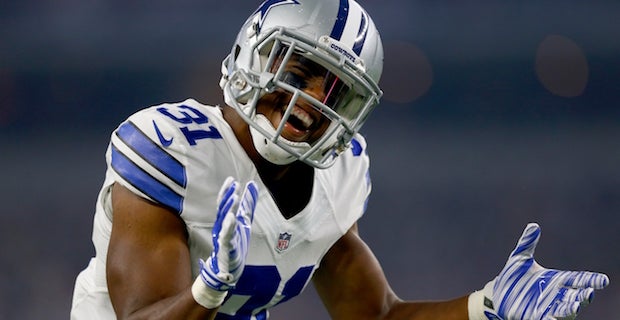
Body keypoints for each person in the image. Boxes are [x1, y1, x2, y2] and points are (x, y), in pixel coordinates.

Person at [70, 0, 610, 319]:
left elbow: (375, 316)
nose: (310, 103)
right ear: (252, 56)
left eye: (335, 93)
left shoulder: (338, 177)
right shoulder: (171, 147)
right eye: (298, 71)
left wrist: (483, 306)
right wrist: (208, 288)